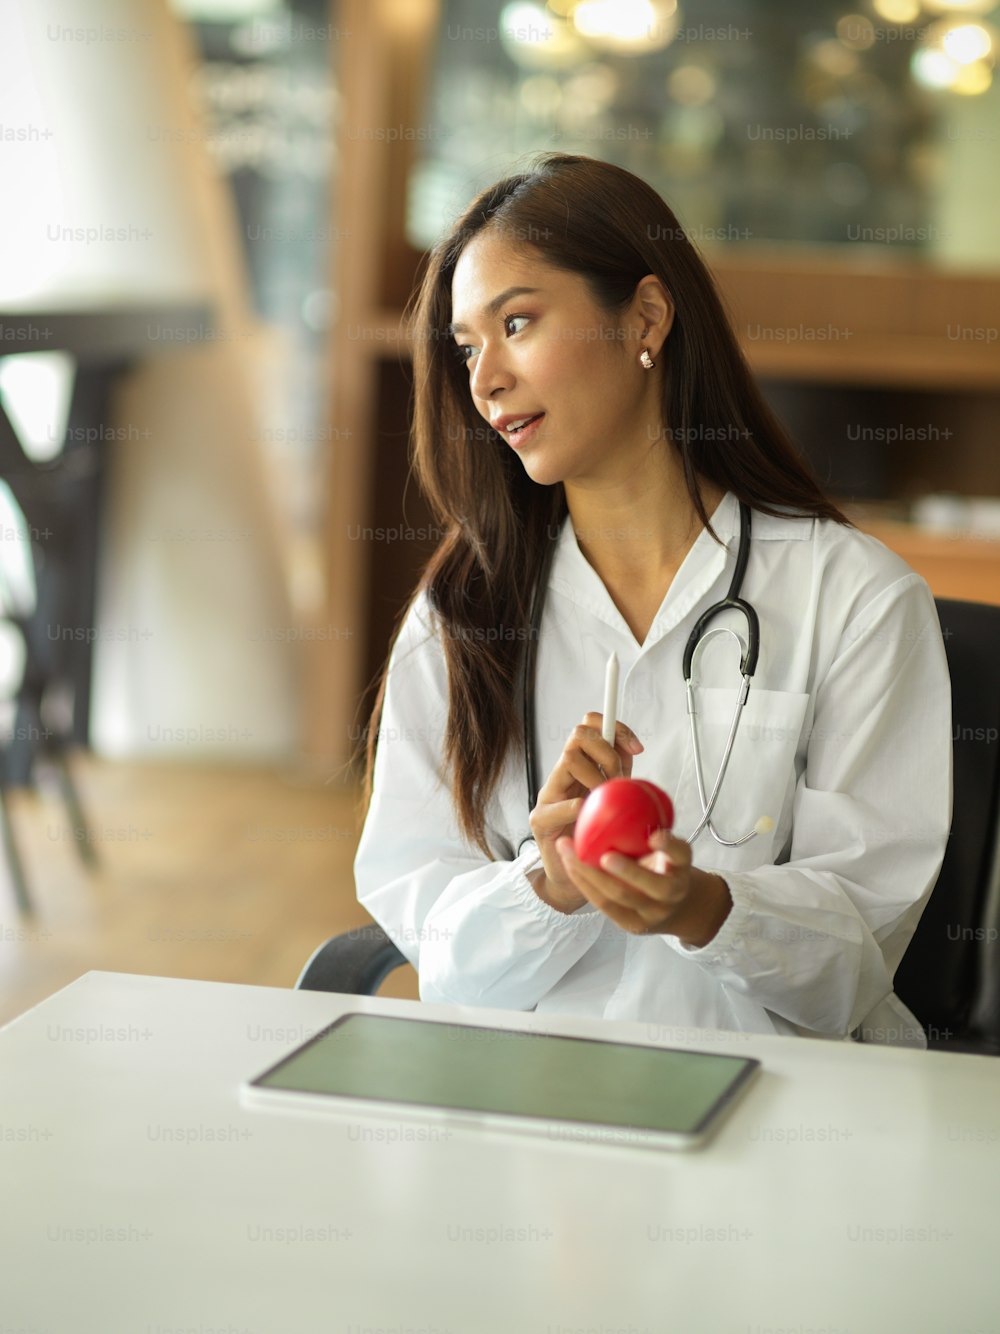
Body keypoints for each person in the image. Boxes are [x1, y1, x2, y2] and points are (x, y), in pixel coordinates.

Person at [351, 152, 952, 1047]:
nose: (484, 381)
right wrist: (545, 885)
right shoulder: (463, 610)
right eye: (468, 348)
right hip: (532, 1112)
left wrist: (708, 906)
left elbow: (857, 964)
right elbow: (435, 950)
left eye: (517, 323)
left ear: (646, 316)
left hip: (777, 1118)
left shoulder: (855, 599)